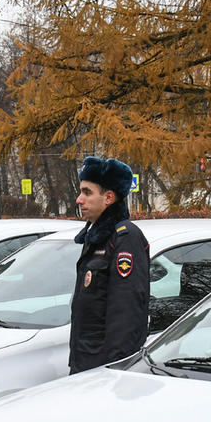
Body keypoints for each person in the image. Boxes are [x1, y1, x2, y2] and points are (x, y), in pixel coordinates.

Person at [68, 157, 149, 374]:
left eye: (87, 192)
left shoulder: (125, 238)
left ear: (109, 197)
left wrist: (113, 372)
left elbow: (126, 315)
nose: (79, 199)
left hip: (103, 370)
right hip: (85, 364)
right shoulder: (96, 237)